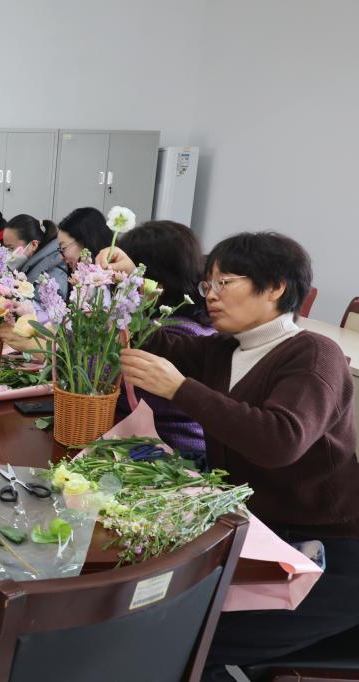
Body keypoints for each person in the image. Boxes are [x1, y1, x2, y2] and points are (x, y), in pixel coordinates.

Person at [113, 232, 359, 681]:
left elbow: (279, 440)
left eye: (225, 282)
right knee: (162, 619)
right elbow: (150, 342)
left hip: (331, 554)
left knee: (185, 636)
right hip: (266, 536)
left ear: (276, 287)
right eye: (207, 284)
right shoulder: (226, 349)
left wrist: (181, 389)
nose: (211, 295)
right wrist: (128, 283)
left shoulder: (313, 354)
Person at [94, 220, 214, 456]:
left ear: (155, 283)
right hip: (147, 446)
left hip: (172, 455)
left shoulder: (176, 334)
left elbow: (100, 381)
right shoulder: (195, 324)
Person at [1, 213, 68, 300]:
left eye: (10, 248)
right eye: (5, 248)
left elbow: (51, 304)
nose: (7, 253)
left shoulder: (55, 269)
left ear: (33, 245)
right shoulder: (29, 265)